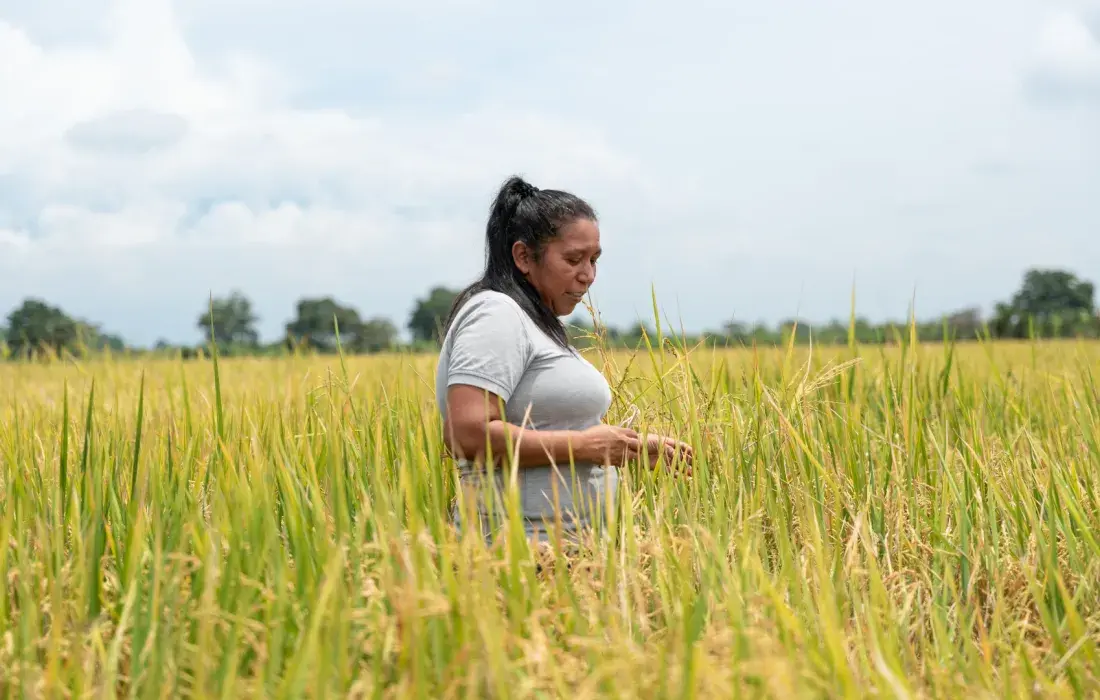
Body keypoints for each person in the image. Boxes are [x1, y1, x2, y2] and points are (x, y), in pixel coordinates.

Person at [434, 175, 693, 544]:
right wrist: (586, 447)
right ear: (524, 257)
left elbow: (548, 425)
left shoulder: (537, 322)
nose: (588, 275)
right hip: (519, 555)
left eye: (593, 259)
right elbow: (465, 434)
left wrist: (628, 449)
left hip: (570, 552)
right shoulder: (496, 314)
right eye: (573, 259)